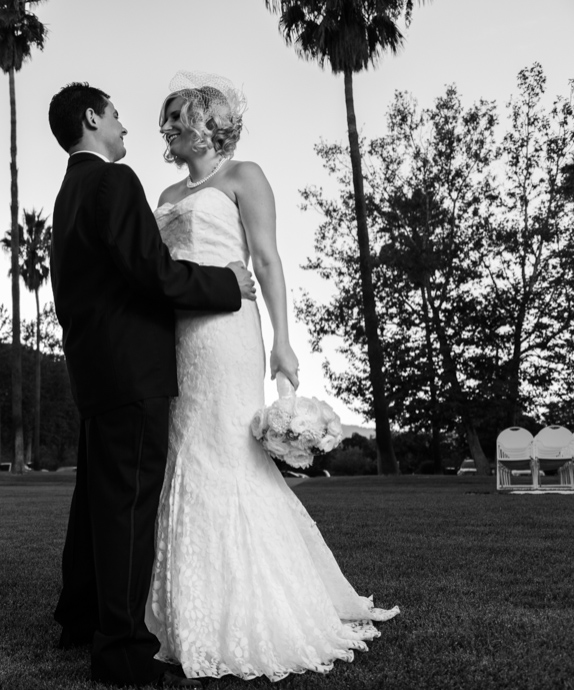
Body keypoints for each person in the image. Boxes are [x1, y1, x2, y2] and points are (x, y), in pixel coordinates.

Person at [145, 70, 399, 682]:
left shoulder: (244, 177)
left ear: (210, 122)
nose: (170, 127)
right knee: (188, 452)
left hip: (229, 333)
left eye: (181, 116)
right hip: (177, 335)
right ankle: (184, 608)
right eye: (168, 119)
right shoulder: (166, 194)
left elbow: (266, 258)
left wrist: (284, 340)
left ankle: (262, 606)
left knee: (229, 450)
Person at [47, 82, 257, 688]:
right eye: (114, 114)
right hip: (132, 367)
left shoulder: (69, 191)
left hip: (94, 366)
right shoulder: (114, 181)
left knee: (94, 506)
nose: (124, 126)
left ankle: (79, 618)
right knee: (127, 511)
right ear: (93, 118)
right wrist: (226, 287)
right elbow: (149, 270)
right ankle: (122, 652)